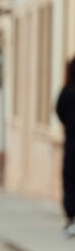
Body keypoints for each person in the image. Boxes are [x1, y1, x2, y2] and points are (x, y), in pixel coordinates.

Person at [56, 57, 75, 237]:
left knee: (69, 181)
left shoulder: (66, 92)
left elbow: (59, 111)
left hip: (71, 143)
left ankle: (70, 220)